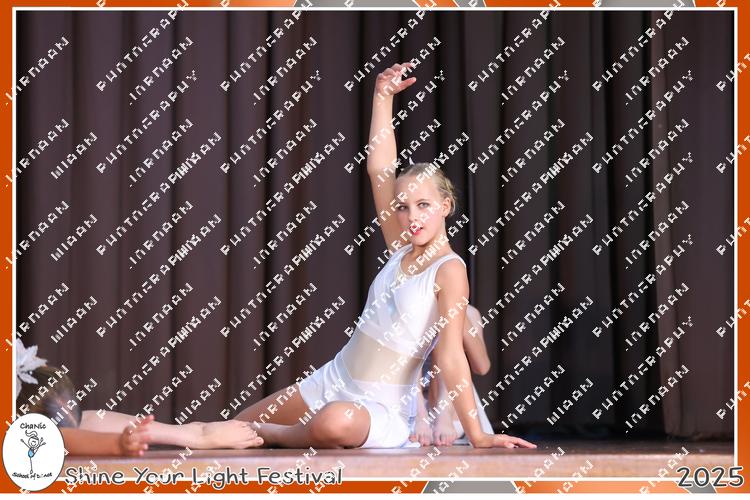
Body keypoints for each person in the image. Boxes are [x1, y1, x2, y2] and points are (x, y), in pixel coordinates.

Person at [232, 62, 537, 450]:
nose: (412, 217)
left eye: (423, 205)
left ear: (445, 206)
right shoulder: (401, 247)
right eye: (403, 207)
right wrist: (382, 97)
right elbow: (380, 168)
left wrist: (478, 435)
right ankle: (248, 432)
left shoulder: (449, 270)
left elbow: (450, 356)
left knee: (333, 423)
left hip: (380, 407)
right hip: (333, 379)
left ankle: (280, 434)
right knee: (237, 428)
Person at [14, 340, 262, 456]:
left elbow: (194, 432)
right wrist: (117, 445)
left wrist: (199, 435)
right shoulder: (45, 436)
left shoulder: (86, 421)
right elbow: (59, 437)